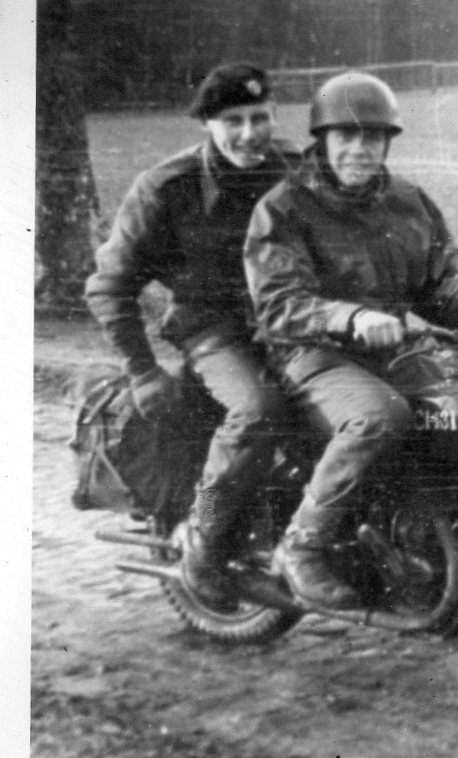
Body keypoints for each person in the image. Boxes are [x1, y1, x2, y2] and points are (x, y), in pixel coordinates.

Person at [244, 72, 458, 610]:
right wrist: (349, 316)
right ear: (322, 140)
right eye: (345, 136)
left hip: (393, 349)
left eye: (373, 137)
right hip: (309, 352)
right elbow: (279, 304)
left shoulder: (408, 202)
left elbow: (442, 288)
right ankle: (302, 545)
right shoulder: (283, 209)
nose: (359, 149)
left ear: (387, 143)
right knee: (379, 417)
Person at [86, 63, 299, 611]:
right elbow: (108, 286)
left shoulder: (298, 171)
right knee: (257, 410)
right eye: (233, 121)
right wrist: (143, 371)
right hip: (215, 331)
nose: (250, 133)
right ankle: (204, 536)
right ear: (207, 124)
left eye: (260, 117)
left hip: (292, 322)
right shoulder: (165, 189)